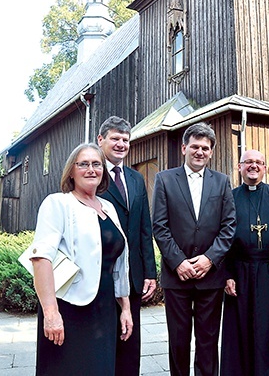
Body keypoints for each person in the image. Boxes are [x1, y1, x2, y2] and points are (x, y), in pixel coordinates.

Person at [27, 143, 132, 375]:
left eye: (96, 164)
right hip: (69, 307)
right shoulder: (58, 203)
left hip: (105, 307)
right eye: (83, 164)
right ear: (71, 171)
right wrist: (51, 313)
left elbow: (118, 266)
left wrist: (125, 308)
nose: (91, 169)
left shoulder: (109, 208)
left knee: (101, 368)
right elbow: (41, 259)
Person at [152, 122, 236, 376]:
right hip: (176, 276)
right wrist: (179, 262)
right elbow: (160, 225)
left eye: (205, 148)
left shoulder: (222, 182)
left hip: (210, 277)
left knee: (208, 341)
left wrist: (209, 260)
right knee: (178, 341)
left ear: (211, 152)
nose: (200, 152)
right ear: (184, 148)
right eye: (195, 147)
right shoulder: (165, 179)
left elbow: (229, 226)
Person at [220, 149, 269, 376]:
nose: (253, 166)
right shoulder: (229, 198)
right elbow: (221, 239)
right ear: (239, 167)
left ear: (265, 167)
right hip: (240, 272)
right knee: (241, 328)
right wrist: (226, 274)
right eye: (248, 162)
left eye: (259, 162)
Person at [97, 116, 157, 376]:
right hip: (101, 274)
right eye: (115, 138)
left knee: (129, 341)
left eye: (125, 140)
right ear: (101, 140)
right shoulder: (91, 173)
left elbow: (144, 228)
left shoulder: (135, 179)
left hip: (132, 277)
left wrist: (150, 273)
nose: (121, 144)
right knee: (101, 342)